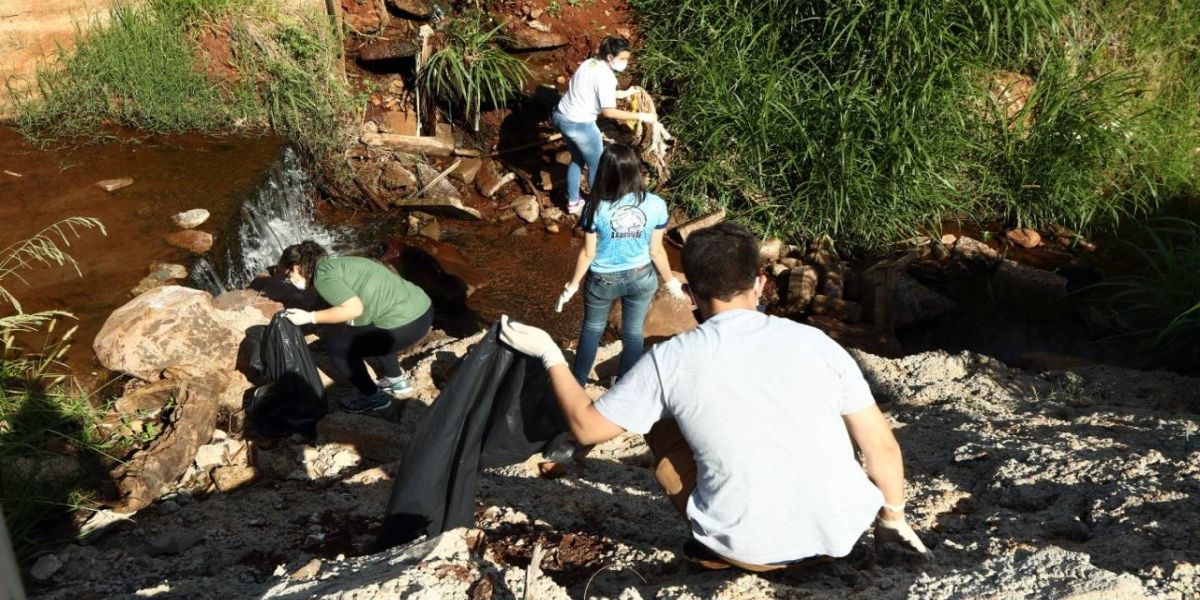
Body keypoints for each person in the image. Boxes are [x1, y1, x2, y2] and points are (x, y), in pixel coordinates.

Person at [499, 223, 931, 571]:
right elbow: (882, 446)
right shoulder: (817, 343)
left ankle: (715, 549)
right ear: (759, 284)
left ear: (690, 296)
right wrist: (892, 518)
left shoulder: (671, 357)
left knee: (663, 420)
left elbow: (587, 427)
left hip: (747, 550)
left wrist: (549, 353)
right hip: (842, 535)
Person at [555, 143, 686, 385]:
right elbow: (657, 251)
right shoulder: (656, 204)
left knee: (592, 330)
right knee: (633, 333)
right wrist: (671, 283)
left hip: (603, 280)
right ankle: (624, 383)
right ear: (636, 170)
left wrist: (571, 287)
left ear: (605, 171)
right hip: (641, 277)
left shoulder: (595, 207)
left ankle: (579, 382)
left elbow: (588, 253)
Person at [278, 241, 433, 414]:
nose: (290, 280)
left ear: (298, 267)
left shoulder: (323, 276)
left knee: (337, 348)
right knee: (370, 331)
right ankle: (397, 382)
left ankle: (375, 399)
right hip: (424, 312)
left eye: (288, 274)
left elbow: (354, 309)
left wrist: (309, 317)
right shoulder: (340, 264)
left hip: (406, 325)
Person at [553, 35, 658, 215]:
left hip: (561, 116)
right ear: (610, 57)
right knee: (597, 166)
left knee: (577, 159)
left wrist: (623, 94)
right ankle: (597, 208)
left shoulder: (590, 63)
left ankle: (573, 202)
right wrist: (642, 115)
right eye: (623, 59)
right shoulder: (606, 77)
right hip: (581, 125)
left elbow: (590, 89)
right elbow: (608, 112)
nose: (626, 62)